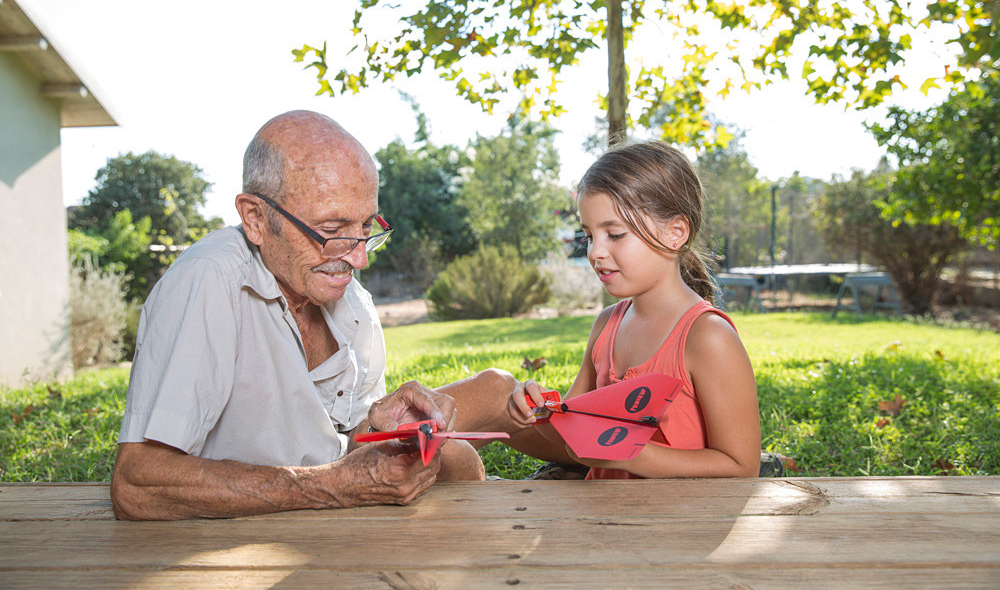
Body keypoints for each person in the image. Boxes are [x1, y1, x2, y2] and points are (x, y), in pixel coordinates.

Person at [110, 110, 491, 521]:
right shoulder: (209, 281)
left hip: (325, 529)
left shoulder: (352, 303)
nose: (359, 257)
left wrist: (381, 428)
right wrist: (332, 486)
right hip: (229, 549)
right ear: (255, 218)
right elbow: (137, 486)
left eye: (366, 226)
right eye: (332, 229)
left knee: (458, 456)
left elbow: (336, 448)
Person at [506, 141, 761, 479]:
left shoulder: (708, 338)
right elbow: (575, 444)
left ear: (675, 233)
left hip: (677, 525)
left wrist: (634, 455)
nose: (596, 252)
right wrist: (539, 413)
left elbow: (742, 468)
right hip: (602, 522)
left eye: (614, 234)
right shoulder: (605, 326)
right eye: (589, 236)